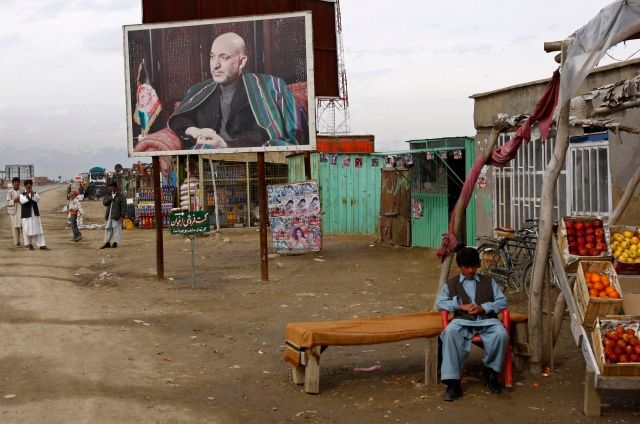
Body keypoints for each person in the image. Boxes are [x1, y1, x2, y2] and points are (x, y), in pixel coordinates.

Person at [168, 32, 308, 149]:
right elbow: (180, 117)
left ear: (242, 62)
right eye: (212, 56)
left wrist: (225, 145)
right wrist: (194, 131)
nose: (215, 65)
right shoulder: (201, 89)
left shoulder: (266, 87)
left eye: (224, 57)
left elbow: (265, 135)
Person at [436, 246, 508, 401]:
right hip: (462, 321)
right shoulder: (451, 283)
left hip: (487, 320)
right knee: (448, 333)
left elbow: (502, 301)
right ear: (460, 266)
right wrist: (459, 306)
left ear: (478, 265)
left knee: (501, 334)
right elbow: (440, 303)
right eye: (466, 267)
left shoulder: (489, 281)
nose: (470, 270)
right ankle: (453, 382)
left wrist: (484, 307)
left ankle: (490, 372)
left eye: (474, 266)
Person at [19, 179, 48, 250]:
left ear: (32, 185)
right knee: (26, 229)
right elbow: (23, 201)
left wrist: (32, 193)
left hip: (34, 215)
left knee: (38, 229)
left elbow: (37, 199)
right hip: (26, 215)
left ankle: (41, 244)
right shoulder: (21, 195)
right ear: (25, 186)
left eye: (30, 185)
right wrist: (27, 194)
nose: (29, 186)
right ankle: (28, 244)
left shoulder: (35, 193)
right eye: (27, 185)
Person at [101, 181, 127, 249]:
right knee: (108, 229)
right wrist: (110, 199)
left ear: (116, 187)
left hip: (117, 216)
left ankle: (116, 242)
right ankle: (107, 242)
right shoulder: (108, 194)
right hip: (109, 215)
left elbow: (124, 206)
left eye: (113, 187)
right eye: (110, 187)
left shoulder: (121, 195)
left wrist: (122, 216)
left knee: (116, 229)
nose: (111, 189)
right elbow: (104, 203)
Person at [5, 177, 23, 246]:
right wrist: (14, 200)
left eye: (17, 182)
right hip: (13, 212)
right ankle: (17, 242)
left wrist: (20, 199)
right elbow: (7, 203)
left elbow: (26, 200)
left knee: (23, 227)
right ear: (12, 183)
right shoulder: (10, 192)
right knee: (15, 228)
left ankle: (27, 242)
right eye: (15, 182)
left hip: (22, 211)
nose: (16, 183)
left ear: (19, 183)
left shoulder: (22, 191)